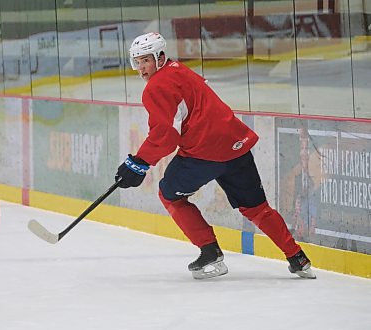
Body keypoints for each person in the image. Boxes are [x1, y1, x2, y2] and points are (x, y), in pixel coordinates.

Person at [114, 32, 315, 280]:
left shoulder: (156, 87)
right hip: (235, 145)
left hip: (203, 153)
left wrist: (139, 163)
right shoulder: (180, 70)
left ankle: (210, 252)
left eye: (146, 60)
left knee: (169, 194)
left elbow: (166, 136)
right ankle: (297, 258)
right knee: (257, 208)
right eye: (137, 61)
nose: (142, 68)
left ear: (160, 57)